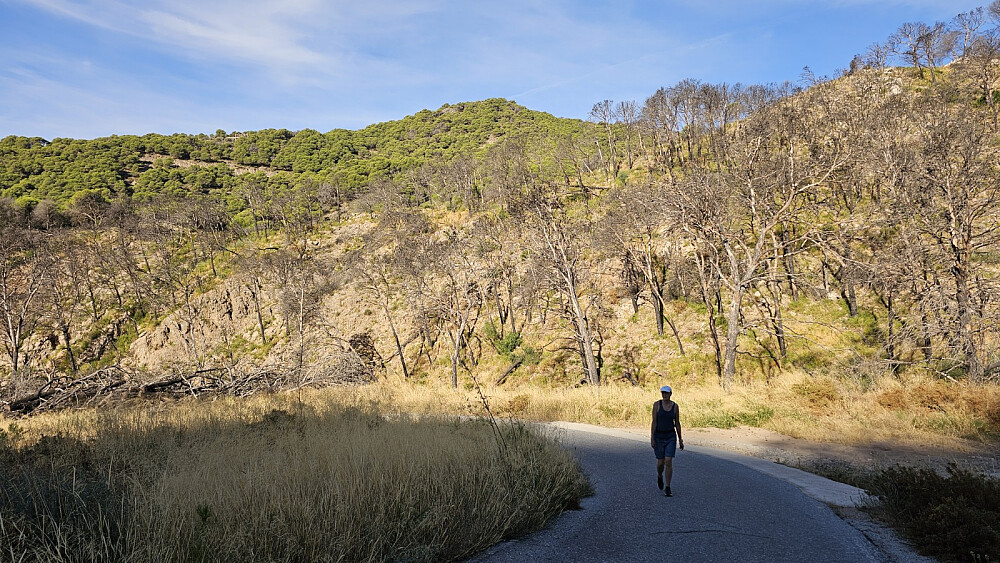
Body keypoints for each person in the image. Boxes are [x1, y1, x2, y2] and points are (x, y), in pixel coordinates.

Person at [650, 385, 683, 496]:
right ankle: (660, 476)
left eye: (666, 393)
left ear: (670, 394)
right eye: (663, 393)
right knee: (661, 462)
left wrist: (680, 439)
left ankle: (668, 487)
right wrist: (652, 437)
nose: (664, 395)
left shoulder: (675, 406)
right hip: (659, 436)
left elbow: (677, 423)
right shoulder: (657, 405)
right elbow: (654, 421)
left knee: (668, 461)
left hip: (670, 436)